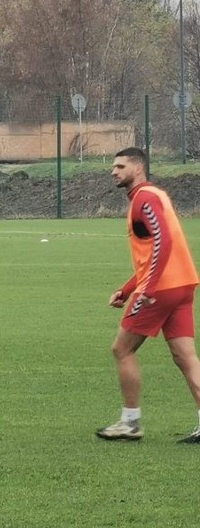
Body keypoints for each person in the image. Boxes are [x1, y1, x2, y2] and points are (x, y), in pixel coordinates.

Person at [96, 147, 200, 443]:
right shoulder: (157, 195)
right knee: (186, 357)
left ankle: (130, 423)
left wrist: (148, 289)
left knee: (122, 349)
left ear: (138, 169)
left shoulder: (144, 198)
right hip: (182, 285)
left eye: (120, 166)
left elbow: (163, 241)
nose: (113, 171)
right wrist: (127, 288)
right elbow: (153, 250)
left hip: (161, 290)